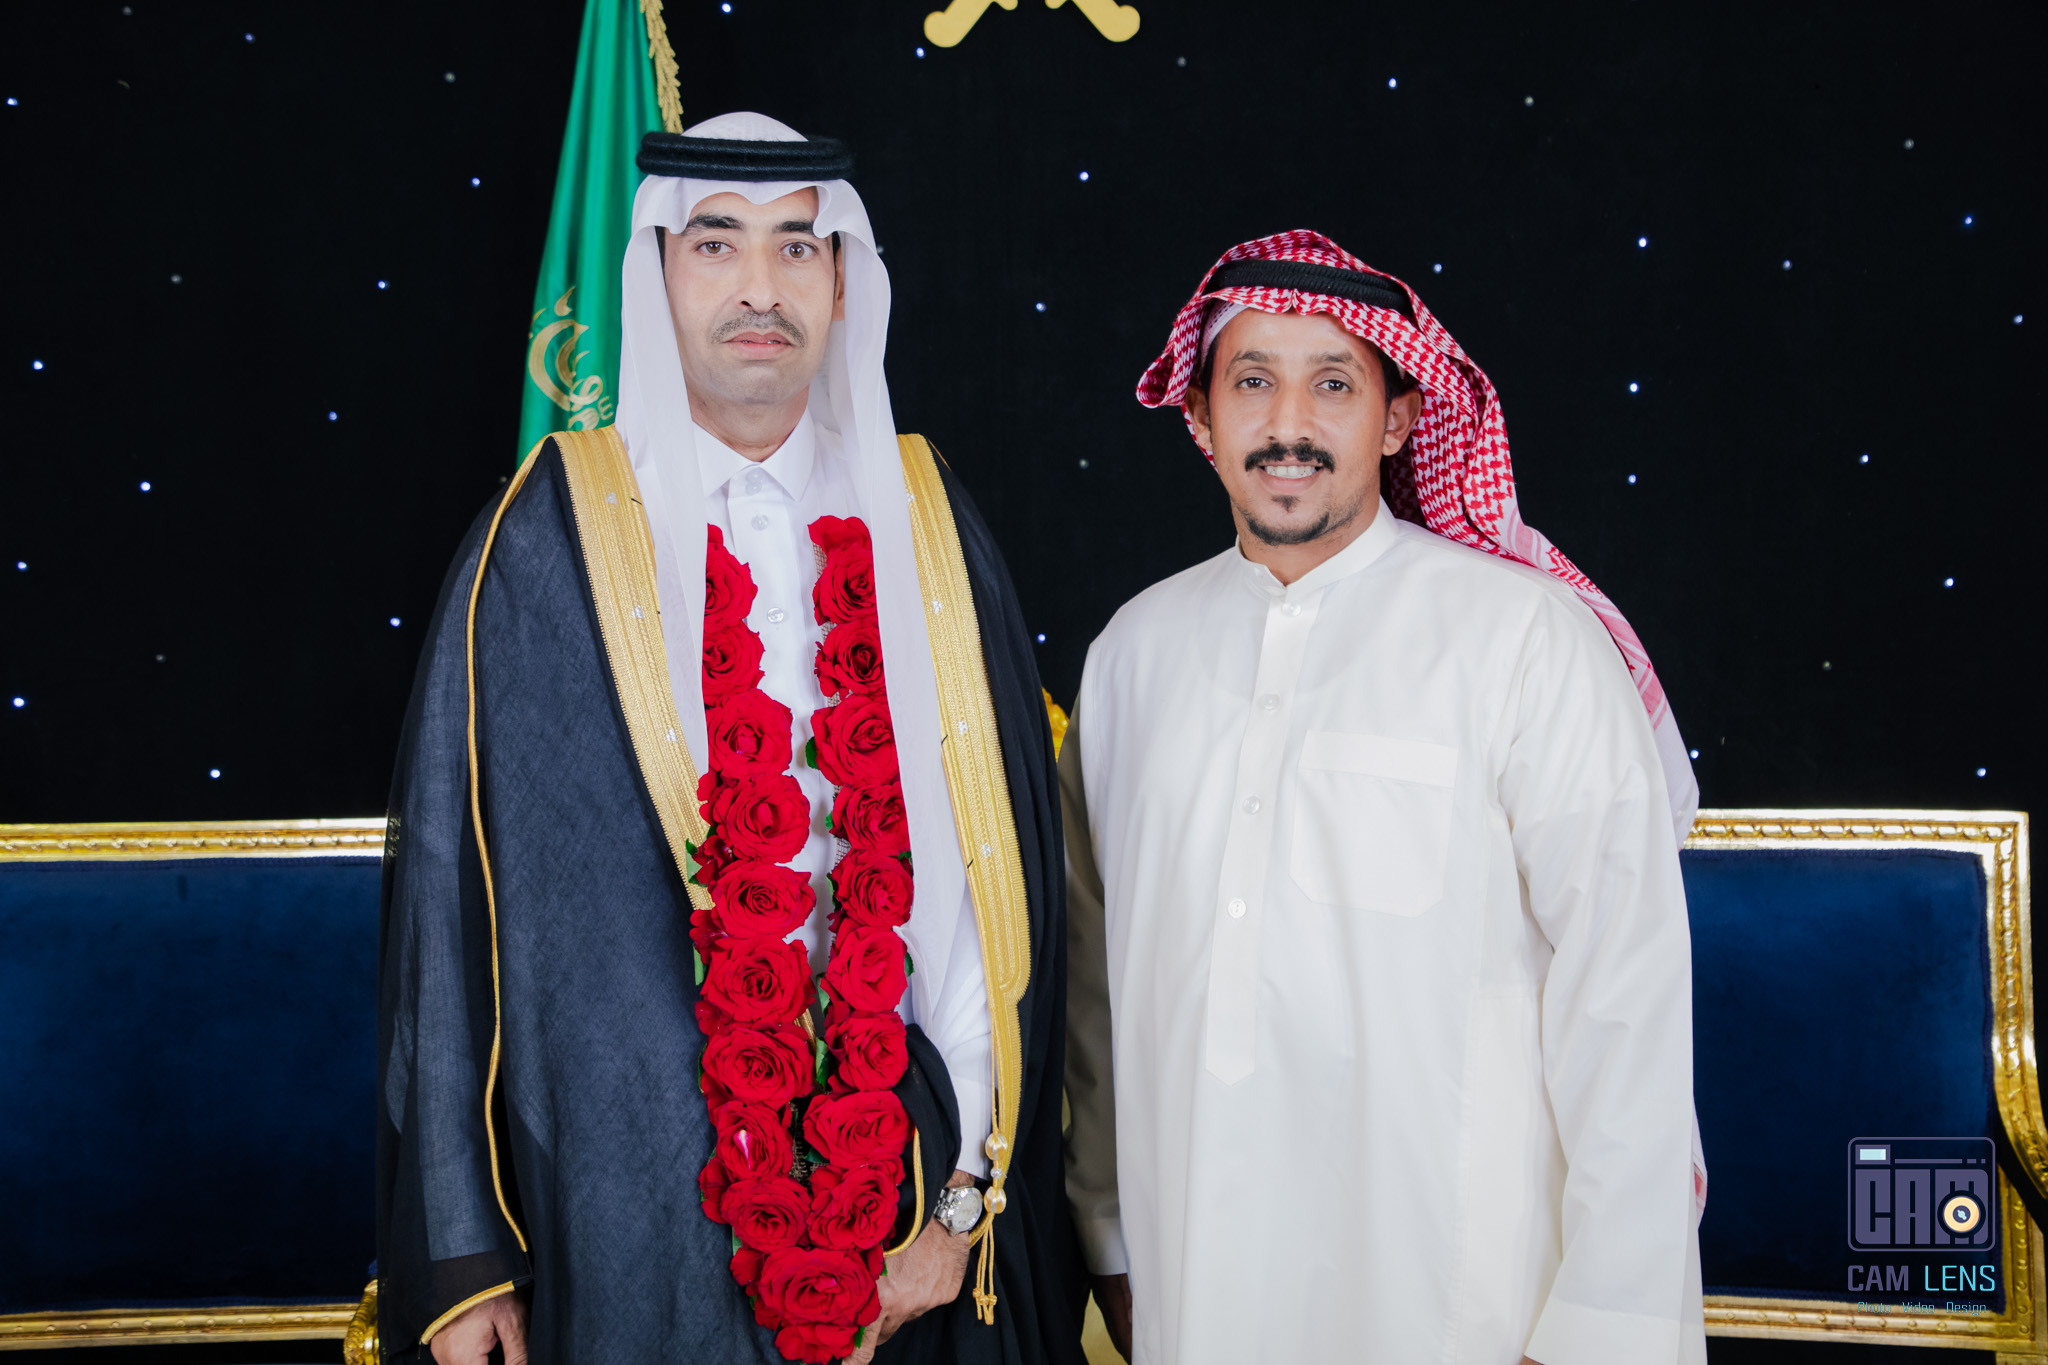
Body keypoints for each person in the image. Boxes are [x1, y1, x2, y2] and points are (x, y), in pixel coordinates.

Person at [376, 111, 1085, 1365]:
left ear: (841, 282)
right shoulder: (545, 540)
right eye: (715, 243)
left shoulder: (922, 520)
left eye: (796, 247)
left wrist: (961, 1197)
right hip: (631, 1203)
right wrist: (467, 1256)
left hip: (902, 1188)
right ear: (655, 276)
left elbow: (990, 900)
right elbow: (449, 903)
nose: (760, 287)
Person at [1060, 231, 1707, 1364]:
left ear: (1401, 419)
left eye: (1333, 385)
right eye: (1251, 382)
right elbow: (1096, 991)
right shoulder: (1132, 656)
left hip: (1463, 1302)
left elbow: (1624, 994)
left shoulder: (1524, 639)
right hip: (1196, 1281)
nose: (1289, 424)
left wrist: (1604, 1321)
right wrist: (1107, 1236)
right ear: (1199, 417)